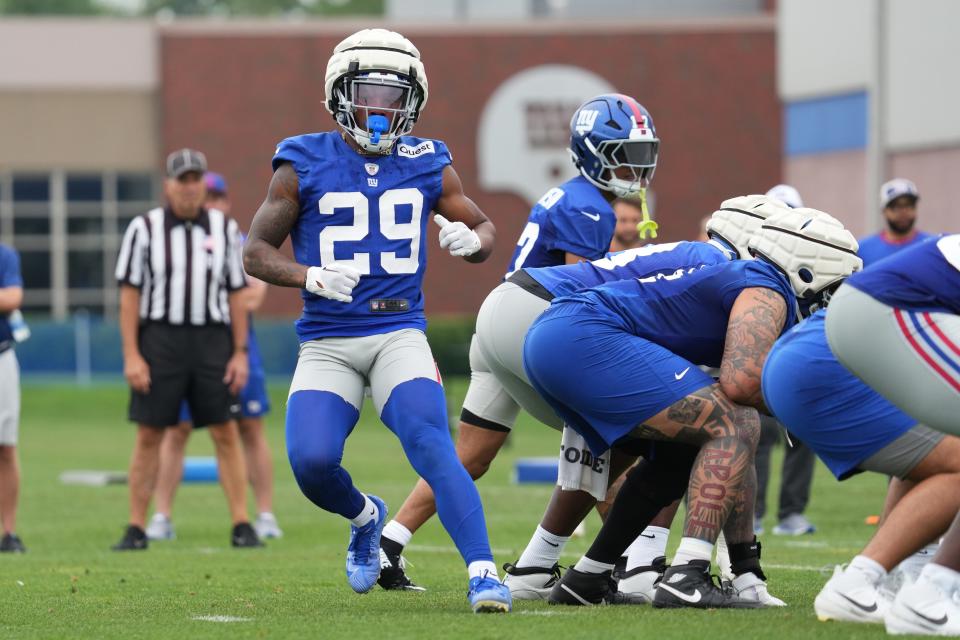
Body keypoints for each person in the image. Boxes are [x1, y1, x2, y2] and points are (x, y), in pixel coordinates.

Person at [241, 28, 511, 613]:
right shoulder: (301, 160)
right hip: (328, 341)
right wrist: (308, 276)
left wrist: (474, 241)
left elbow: (486, 229)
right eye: (370, 92)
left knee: (430, 440)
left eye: (396, 95)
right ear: (340, 92)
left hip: (397, 333)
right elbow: (255, 251)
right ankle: (366, 517)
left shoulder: (429, 161)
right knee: (311, 464)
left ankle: (484, 572)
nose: (383, 108)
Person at [376, 93, 661, 592]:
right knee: (610, 433)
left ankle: (389, 543)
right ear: (594, 151)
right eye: (625, 155)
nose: (636, 168)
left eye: (641, 155)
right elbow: (584, 294)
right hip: (532, 328)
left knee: (470, 457)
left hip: (499, 328)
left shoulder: (572, 195)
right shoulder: (590, 208)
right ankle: (630, 561)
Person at [524, 209, 860, 609]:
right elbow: (742, 384)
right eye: (836, 287)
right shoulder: (767, 287)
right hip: (580, 335)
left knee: (678, 452)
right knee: (735, 421)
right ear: (808, 270)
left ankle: (589, 576)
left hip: (565, 333)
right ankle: (688, 574)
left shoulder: (752, 281)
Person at [763, 235, 960, 632]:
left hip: (813, 352)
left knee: (938, 456)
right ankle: (930, 592)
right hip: (834, 354)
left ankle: (881, 582)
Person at [112, 148, 261, 551]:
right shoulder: (144, 229)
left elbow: (236, 295)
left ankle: (242, 523)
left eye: (196, 179)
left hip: (212, 340)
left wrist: (240, 351)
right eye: (183, 179)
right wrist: (131, 354)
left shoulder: (225, 229)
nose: (190, 187)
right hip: (160, 340)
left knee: (225, 431)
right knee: (150, 433)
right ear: (168, 185)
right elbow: (129, 295)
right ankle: (137, 526)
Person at [146, 172, 282, 542]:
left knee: (249, 428)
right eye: (208, 197)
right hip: (189, 350)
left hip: (238, 349)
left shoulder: (240, 244)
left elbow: (252, 298)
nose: (213, 204)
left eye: (218, 197)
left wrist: (203, 300)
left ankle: (264, 514)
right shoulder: (170, 241)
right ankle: (162, 516)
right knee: (176, 429)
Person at [748, 183, 816, 537]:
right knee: (760, 433)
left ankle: (791, 513)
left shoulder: (814, 261)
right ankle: (754, 513)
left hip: (796, 360)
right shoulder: (751, 258)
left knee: (803, 434)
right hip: (758, 358)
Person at [0, 242, 26, 553]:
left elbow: (13, 297)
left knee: (6, 447)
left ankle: (9, 532)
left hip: (2, 357)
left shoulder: (5, 254)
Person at [858, 178, 932, 267]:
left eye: (909, 205)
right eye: (896, 207)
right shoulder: (863, 250)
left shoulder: (930, 245)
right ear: (884, 210)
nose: (904, 212)